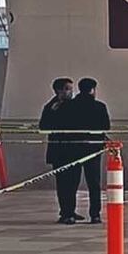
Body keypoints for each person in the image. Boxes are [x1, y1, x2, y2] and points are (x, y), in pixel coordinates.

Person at [58, 77, 111, 225]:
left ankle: (69, 214)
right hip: (93, 148)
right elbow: (105, 126)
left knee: (71, 183)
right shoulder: (99, 106)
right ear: (93, 90)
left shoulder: (68, 106)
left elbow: (64, 125)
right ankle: (95, 215)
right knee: (94, 183)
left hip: (72, 148)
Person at [40, 77, 77, 223]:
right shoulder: (51, 107)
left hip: (74, 151)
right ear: (58, 90)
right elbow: (43, 126)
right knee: (63, 183)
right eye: (67, 89)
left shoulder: (74, 105)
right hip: (60, 152)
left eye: (71, 89)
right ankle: (65, 213)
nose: (70, 92)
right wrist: (53, 113)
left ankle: (71, 210)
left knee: (73, 182)